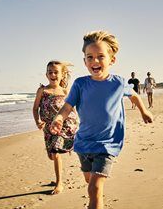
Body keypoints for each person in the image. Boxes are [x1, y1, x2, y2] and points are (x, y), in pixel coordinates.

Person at [50, 31, 153, 209]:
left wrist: (144, 111)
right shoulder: (80, 84)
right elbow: (67, 107)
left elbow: (134, 95)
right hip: (83, 143)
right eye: (90, 57)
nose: (95, 61)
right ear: (84, 61)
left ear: (112, 60)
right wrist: (59, 118)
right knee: (90, 181)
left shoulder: (118, 83)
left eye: (100, 57)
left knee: (94, 188)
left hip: (108, 144)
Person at [32, 60, 78, 195]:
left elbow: (71, 108)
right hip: (48, 128)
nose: (52, 74)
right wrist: (37, 121)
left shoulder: (65, 91)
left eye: (55, 72)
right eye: (50, 72)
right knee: (51, 156)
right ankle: (58, 176)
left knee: (56, 153)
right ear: (46, 74)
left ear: (62, 74)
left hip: (63, 126)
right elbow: (35, 109)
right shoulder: (42, 90)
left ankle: (59, 183)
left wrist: (77, 121)